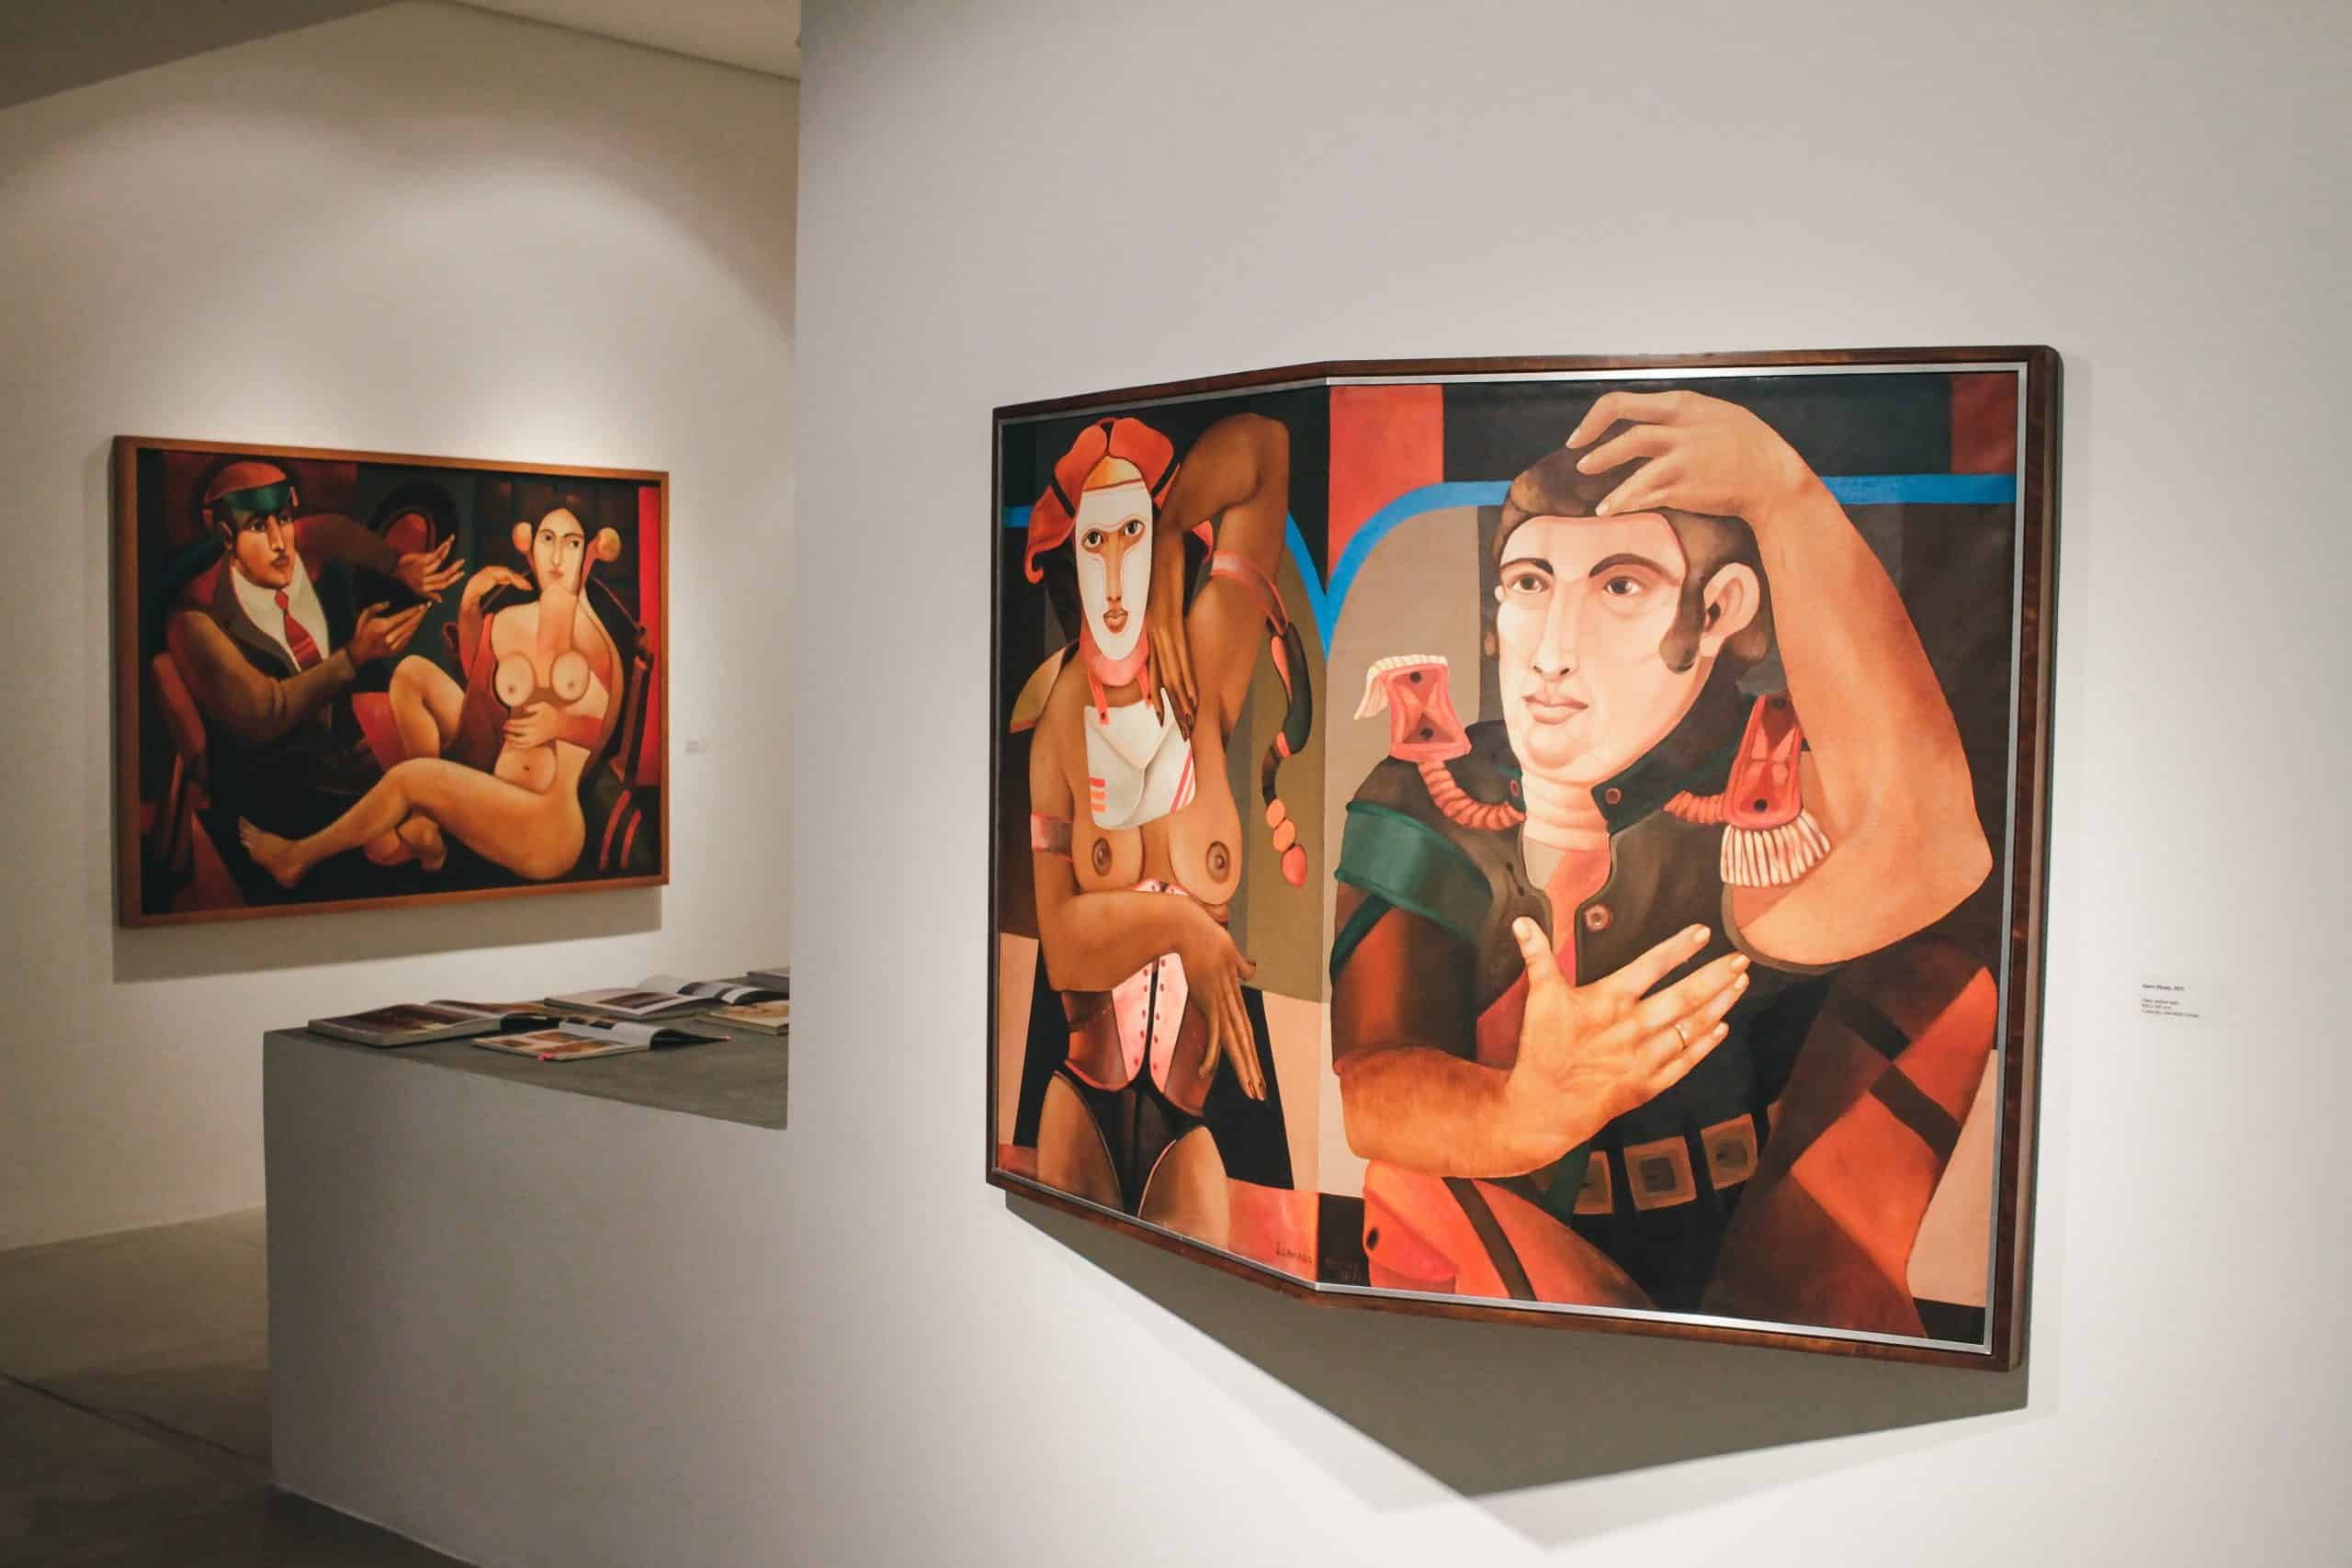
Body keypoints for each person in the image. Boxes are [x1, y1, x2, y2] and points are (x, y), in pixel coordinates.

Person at [1327, 389, 1997, 1328]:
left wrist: (1786, 499)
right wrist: (1522, 1114)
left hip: (1756, 1282)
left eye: (1620, 587)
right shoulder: (1424, 791)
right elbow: (1373, 1093)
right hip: (1492, 1280)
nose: (1551, 654)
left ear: (1719, 609)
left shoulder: (1767, 783)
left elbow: (1934, 852)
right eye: (1530, 584)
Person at [1018, 412, 1311, 1251]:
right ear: (1072, 557)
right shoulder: (1059, 726)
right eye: (1094, 542)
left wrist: (1180, 524)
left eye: (1133, 536)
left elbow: (1267, 451)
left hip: (1194, 1116)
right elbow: (1064, 947)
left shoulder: (1205, 665)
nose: (1116, 576)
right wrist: (1186, 926)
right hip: (1080, 1101)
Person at [238, 504, 622, 887]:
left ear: (591, 551)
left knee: (410, 779)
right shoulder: (511, 621)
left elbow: (606, 732)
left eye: (572, 544)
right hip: (499, 781)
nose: (557, 557)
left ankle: (297, 857)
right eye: (548, 540)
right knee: (411, 672)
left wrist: (561, 724)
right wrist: (469, 605)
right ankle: (425, 822)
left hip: (545, 825)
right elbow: (479, 688)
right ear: (529, 545)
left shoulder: (596, 644)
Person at [163, 460, 462, 843]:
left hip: (351, 767)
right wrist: (354, 656)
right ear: (226, 535)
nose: (280, 542)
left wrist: (396, 564)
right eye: (258, 527)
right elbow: (264, 712)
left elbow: (335, 531)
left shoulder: (306, 548)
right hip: (270, 802)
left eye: (285, 519)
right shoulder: (195, 618)